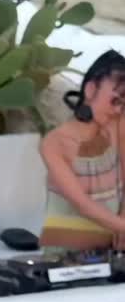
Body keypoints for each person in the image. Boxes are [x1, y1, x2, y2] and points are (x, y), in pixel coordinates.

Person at [40, 50, 125, 252]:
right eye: (115, 100)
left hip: (112, 247)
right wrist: (121, 227)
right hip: (65, 251)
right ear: (90, 89)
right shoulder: (54, 142)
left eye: (123, 104)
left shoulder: (118, 124)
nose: (118, 110)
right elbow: (83, 205)